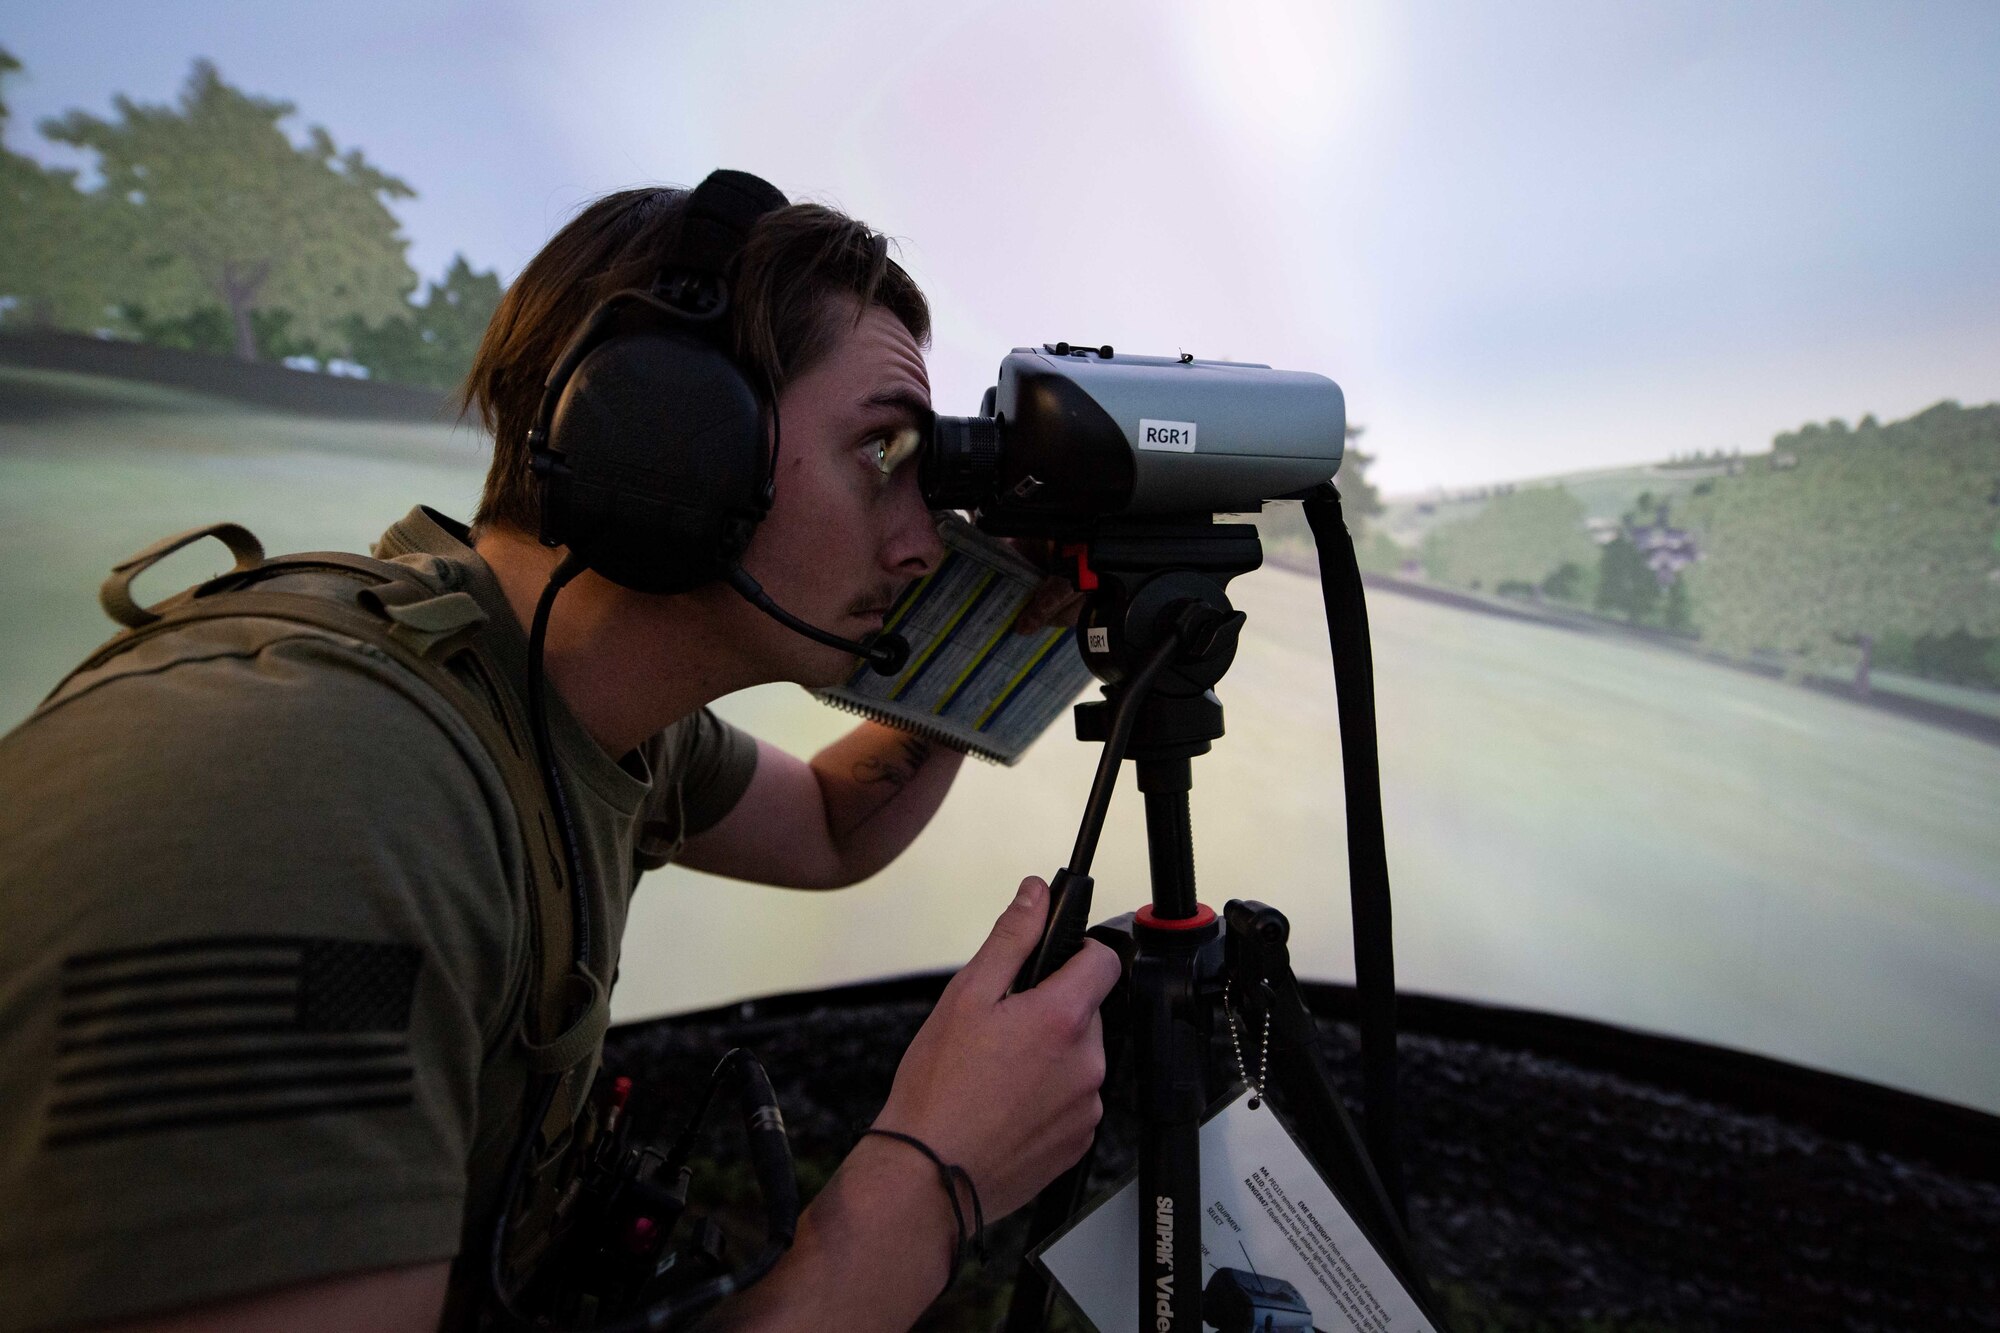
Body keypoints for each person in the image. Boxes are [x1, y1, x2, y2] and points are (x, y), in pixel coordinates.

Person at [0, 179, 1120, 1332]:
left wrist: (1009, 621)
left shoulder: (576, 715)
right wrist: (926, 1184)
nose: (926, 534)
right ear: (673, 439)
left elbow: (834, 826)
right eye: (880, 449)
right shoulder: (303, 804)